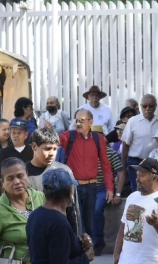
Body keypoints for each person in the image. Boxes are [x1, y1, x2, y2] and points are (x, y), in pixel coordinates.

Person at [59, 109, 114, 237]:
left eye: (82, 121)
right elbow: (57, 140)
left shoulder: (98, 138)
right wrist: (50, 132)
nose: (78, 124)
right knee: (74, 220)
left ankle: (87, 251)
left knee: (89, 223)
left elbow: (106, 165)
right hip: (73, 186)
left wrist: (110, 188)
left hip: (91, 187)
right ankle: (75, 251)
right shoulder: (70, 136)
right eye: (77, 121)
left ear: (91, 122)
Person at [26, 127, 83, 236]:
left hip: (60, 232)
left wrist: (77, 238)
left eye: (55, 149)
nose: (52, 153)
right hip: (34, 233)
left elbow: (73, 209)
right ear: (34, 146)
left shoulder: (64, 172)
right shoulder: (23, 174)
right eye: (47, 149)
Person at [121, 94, 158, 191]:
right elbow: (125, 144)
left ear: (155, 106)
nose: (148, 108)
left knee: (154, 190)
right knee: (138, 190)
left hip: (154, 162)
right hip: (136, 161)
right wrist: (123, 165)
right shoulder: (133, 121)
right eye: (144, 106)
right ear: (140, 106)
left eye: (151, 106)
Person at [93, 129, 125, 256]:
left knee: (96, 210)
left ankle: (97, 243)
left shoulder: (110, 153)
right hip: (87, 187)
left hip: (103, 188)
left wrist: (117, 193)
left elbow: (121, 173)